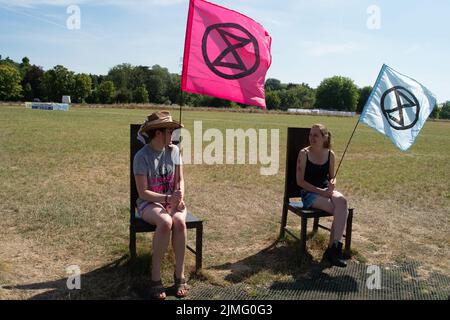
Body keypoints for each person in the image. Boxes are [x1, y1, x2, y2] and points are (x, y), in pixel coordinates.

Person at [133, 111, 189, 299]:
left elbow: (180, 179)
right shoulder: (142, 156)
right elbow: (143, 193)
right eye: (170, 131)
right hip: (149, 203)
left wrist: (179, 194)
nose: (173, 135)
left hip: (172, 201)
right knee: (165, 222)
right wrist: (167, 198)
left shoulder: (174, 151)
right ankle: (155, 278)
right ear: (158, 133)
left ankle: (179, 274)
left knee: (180, 222)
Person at [296, 124, 349, 268]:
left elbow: (332, 177)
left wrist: (332, 183)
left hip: (326, 190)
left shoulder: (330, 154)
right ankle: (333, 252)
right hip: (309, 194)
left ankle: (333, 248)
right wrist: (322, 192)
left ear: (324, 137)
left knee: (342, 203)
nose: (312, 138)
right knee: (338, 210)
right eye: (310, 135)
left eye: (316, 135)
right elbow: (300, 181)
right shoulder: (304, 153)